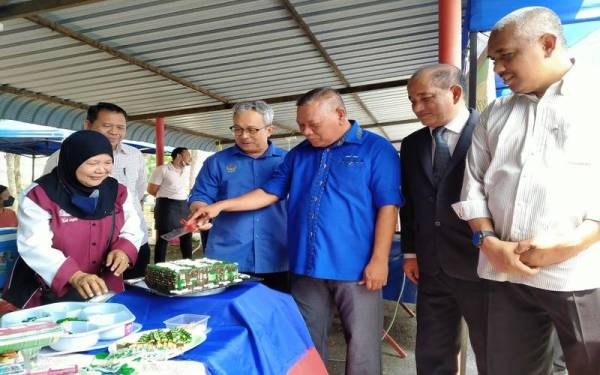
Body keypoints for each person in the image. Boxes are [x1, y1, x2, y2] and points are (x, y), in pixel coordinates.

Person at [189, 88, 402, 374]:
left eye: (313, 125)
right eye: (301, 125)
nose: (306, 132)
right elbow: (268, 192)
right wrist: (220, 206)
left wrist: (379, 260)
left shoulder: (375, 148)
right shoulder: (299, 154)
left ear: (340, 114)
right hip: (305, 266)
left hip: (356, 267)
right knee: (305, 342)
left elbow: (388, 206)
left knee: (362, 345)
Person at [452, 7, 600, 374]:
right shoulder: (496, 113)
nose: (499, 68)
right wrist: (487, 240)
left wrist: (571, 245)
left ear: (547, 44)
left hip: (581, 275)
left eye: (506, 56)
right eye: (495, 60)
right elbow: (473, 185)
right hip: (506, 273)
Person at [401, 64, 487, 374]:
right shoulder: (412, 145)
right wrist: (410, 252)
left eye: (424, 98)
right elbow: (409, 203)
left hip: (482, 263)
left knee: (492, 347)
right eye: (412, 101)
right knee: (432, 351)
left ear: (455, 93)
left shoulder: (488, 131)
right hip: (431, 265)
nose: (417, 108)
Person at [3, 130, 142, 308]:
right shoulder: (40, 194)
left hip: (102, 288)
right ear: (73, 161)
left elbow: (132, 228)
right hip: (48, 292)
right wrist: (74, 275)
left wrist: (124, 250)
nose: (101, 170)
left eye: (108, 162)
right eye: (93, 163)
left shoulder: (117, 191)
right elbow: (35, 245)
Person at [188, 101, 289, 292]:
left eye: (252, 130)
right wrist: (200, 211)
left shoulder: (287, 161)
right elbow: (200, 195)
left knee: (275, 314)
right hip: (228, 256)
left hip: (277, 255)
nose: (243, 136)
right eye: (237, 129)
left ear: (269, 130)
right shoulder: (216, 162)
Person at [44, 102, 150, 279]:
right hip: (84, 249)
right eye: (107, 126)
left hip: (133, 241)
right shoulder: (62, 157)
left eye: (120, 127)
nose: (115, 132)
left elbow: (138, 192)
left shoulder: (135, 155)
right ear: (87, 125)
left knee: (135, 295)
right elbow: (50, 198)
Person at [148, 147, 193, 263]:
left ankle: (188, 263)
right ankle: (158, 266)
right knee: (164, 237)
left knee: (186, 236)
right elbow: (151, 190)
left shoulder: (186, 170)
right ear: (179, 156)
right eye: (187, 155)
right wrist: (165, 199)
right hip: (167, 206)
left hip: (183, 205)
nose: (190, 158)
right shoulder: (162, 169)